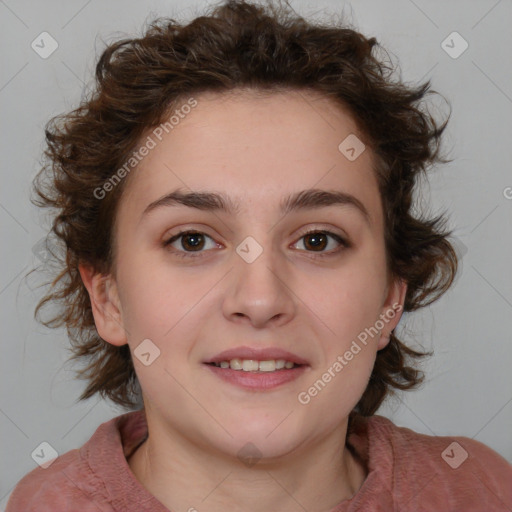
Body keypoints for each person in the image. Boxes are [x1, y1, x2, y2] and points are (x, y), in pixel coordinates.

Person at [6, 0, 512, 510]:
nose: (260, 298)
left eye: (318, 240)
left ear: (389, 299)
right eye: (192, 240)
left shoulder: (481, 492)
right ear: (107, 298)